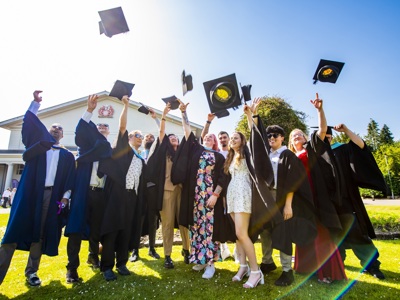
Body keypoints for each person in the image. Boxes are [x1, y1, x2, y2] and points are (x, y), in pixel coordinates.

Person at [0, 90, 75, 286]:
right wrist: (35, 104)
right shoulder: (36, 147)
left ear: (62, 135)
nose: (56, 130)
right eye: (53, 128)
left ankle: (32, 271)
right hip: (29, 193)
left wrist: (65, 198)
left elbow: (69, 180)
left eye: (59, 129)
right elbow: (29, 126)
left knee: (39, 233)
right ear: (46, 132)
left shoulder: (66, 156)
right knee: (13, 231)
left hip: (50, 197)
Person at [251, 98, 316, 287]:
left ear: (282, 137)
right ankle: (267, 262)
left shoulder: (287, 155)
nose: (272, 138)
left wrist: (288, 205)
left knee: (283, 233)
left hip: (282, 198)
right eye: (269, 136)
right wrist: (254, 114)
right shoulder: (266, 154)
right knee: (265, 231)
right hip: (267, 198)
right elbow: (256, 137)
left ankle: (287, 271)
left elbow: (293, 182)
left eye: (276, 135)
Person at [288, 94, 346, 283]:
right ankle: (307, 269)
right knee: (304, 234)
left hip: (315, 198)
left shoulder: (310, 150)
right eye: (293, 135)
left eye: (299, 134)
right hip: (299, 201)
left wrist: (319, 110)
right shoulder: (289, 156)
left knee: (320, 234)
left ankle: (327, 272)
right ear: (290, 141)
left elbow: (322, 130)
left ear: (305, 137)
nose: (297, 135)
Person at [171, 101, 231, 280]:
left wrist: (216, 194)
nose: (208, 139)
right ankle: (200, 259)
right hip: (196, 197)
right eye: (206, 137)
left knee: (210, 229)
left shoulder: (219, 157)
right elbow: (188, 131)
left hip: (211, 197)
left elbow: (223, 177)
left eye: (211, 138)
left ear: (214, 143)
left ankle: (211, 263)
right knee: (197, 228)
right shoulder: (196, 151)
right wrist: (183, 112)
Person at [326, 123, 387, 279]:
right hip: (327, 204)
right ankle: (337, 267)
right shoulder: (315, 154)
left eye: (327, 136)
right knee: (332, 236)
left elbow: (360, 146)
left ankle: (372, 266)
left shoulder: (341, 149)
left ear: (331, 136)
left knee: (357, 232)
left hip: (347, 200)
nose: (324, 139)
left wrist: (346, 130)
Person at [64, 94, 112, 283]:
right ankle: (72, 268)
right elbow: (81, 130)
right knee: (76, 230)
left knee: (96, 230)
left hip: (99, 194)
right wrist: (90, 111)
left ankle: (94, 257)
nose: (101, 128)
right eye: (98, 126)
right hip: (83, 193)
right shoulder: (86, 147)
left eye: (105, 127)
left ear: (108, 132)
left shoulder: (109, 153)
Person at [97, 96, 145, 281]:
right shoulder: (123, 150)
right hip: (117, 195)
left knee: (126, 229)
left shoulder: (141, 159)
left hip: (132, 197)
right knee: (112, 229)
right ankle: (107, 266)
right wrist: (126, 105)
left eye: (142, 136)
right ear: (130, 138)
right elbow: (122, 127)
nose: (140, 138)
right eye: (137, 135)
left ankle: (122, 263)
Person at [146, 103, 190, 269]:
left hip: (182, 191)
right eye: (170, 137)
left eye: (175, 137)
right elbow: (162, 133)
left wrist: (184, 113)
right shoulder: (164, 153)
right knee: (167, 223)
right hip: (166, 191)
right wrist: (162, 116)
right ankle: (168, 255)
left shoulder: (182, 153)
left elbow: (187, 132)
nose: (173, 138)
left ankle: (187, 250)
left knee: (184, 222)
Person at [129, 109, 160, 262]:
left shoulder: (156, 154)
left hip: (153, 191)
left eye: (150, 137)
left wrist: (156, 119)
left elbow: (162, 134)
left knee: (153, 220)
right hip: (140, 191)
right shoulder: (138, 154)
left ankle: (152, 248)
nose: (148, 138)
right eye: (145, 136)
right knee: (139, 219)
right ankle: (135, 250)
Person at [200, 113, 233, 261]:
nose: (222, 139)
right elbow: (204, 138)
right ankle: (223, 248)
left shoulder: (232, 153)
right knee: (218, 217)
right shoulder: (215, 154)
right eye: (220, 138)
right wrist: (208, 121)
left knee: (230, 216)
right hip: (216, 188)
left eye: (224, 137)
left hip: (231, 187)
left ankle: (236, 249)